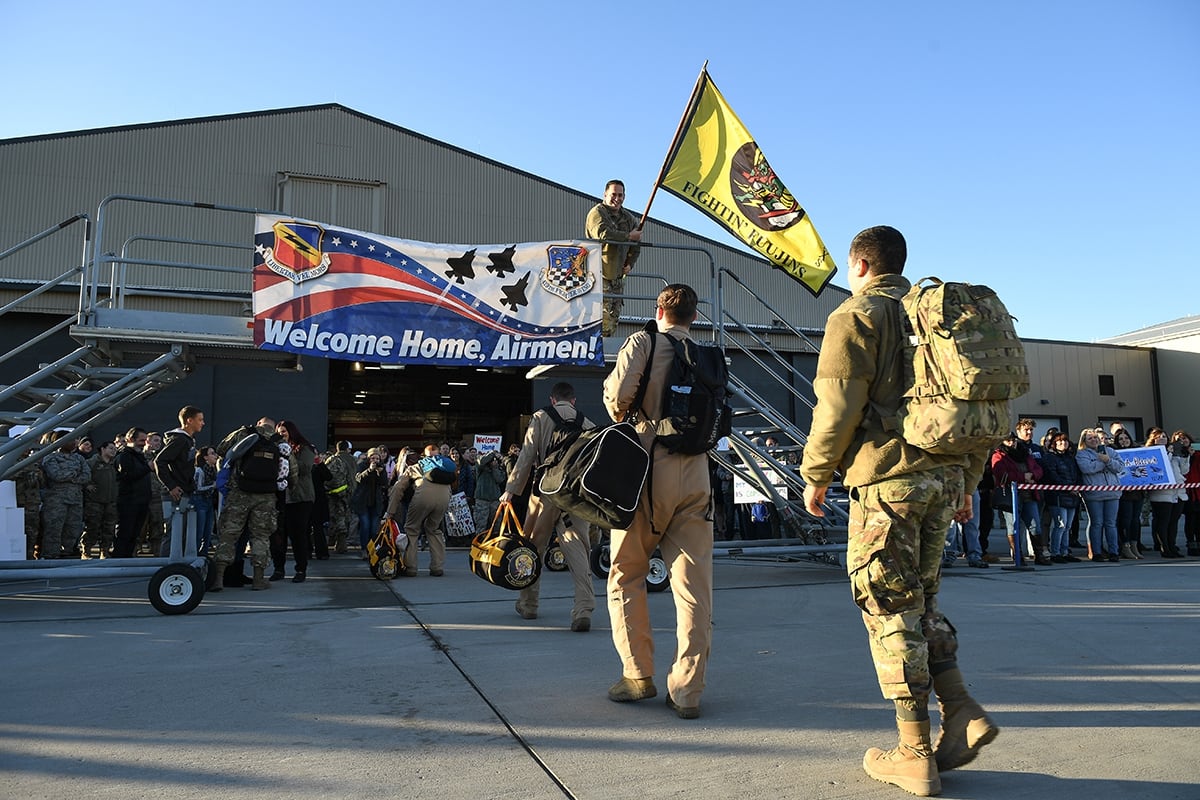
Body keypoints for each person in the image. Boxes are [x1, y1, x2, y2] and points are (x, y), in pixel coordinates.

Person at [799, 226, 997, 796]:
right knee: (923, 602)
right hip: (944, 477)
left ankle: (913, 750)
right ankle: (959, 708)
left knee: (889, 609)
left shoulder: (857, 315)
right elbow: (980, 399)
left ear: (860, 265)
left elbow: (836, 406)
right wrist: (968, 479)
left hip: (888, 481)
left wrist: (815, 476)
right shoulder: (935, 317)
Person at [601, 284, 713, 720]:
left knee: (626, 573)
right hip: (698, 476)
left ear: (659, 310)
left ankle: (637, 674)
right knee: (694, 590)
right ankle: (688, 691)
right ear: (694, 317)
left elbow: (616, 402)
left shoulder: (643, 342)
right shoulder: (706, 356)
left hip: (648, 473)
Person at [498, 382, 597, 631]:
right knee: (578, 551)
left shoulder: (541, 417)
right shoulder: (588, 424)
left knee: (532, 548)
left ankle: (529, 605)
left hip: (543, 494)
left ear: (553, 400)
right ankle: (583, 609)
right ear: (573, 401)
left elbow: (527, 454)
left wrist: (511, 489)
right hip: (574, 497)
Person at [209, 418, 285, 591]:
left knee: (229, 535)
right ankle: (258, 579)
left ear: (258, 423)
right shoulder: (279, 441)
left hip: (239, 493)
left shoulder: (243, 433)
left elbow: (222, 450)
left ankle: (219, 578)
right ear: (273, 427)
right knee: (260, 537)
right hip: (266, 496)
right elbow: (290, 470)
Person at [382, 444, 451, 576]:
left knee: (412, 529)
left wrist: (390, 512)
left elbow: (398, 488)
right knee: (434, 529)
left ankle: (411, 568)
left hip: (423, 497)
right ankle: (437, 567)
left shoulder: (417, 467)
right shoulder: (445, 468)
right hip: (444, 498)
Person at [585, 179, 642, 337]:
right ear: (605, 195)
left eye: (620, 195)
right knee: (599, 317)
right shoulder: (597, 213)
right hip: (598, 274)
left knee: (613, 317)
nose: (617, 198)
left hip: (617, 278)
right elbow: (602, 234)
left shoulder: (628, 218)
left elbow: (636, 245)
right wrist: (628, 235)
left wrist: (630, 264)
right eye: (613, 195)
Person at [990, 432, 1049, 565]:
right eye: (1008, 441)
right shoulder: (999, 455)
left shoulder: (1025, 453)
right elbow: (1001, 473)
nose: (1012, 443)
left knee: (1035, 525)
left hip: (1029, 494)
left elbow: (1038, 469)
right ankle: (1017, 556)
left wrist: (1032, 475)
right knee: (1013, 526)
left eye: (1013, 440)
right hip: (1011, 496)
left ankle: (1039, 555)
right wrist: (1023, 477)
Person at [154, 406, 205, 554]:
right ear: (189, 420)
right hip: (174, 494)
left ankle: (177, 567)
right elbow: (160, 461)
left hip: (184, 492)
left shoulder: (188, 441)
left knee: (182, 533)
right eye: (200, 420)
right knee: (173, 532)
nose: (203, 423)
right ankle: (166, 569)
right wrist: (171, 486)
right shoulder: (179, 440)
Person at [272, 420, 316, 582]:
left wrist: (286, 455)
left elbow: (305, 468)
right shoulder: (274, 448)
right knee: (278, 536)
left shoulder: (305, 448)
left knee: (298, 536)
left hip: (300, 498)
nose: (281, 434)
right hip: (280, 497)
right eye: (279, 432)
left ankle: (300, 570)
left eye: (284, 431)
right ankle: (278, 569)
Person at [1076, 428, 1124, 562]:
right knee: (1097, 523)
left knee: (1110, 523)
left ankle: (1114, 552)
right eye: (1090, 438)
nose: (1094, 440)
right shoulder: (1081, 454)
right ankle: (1096, 552)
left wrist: (1108, 460)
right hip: (1094, 494)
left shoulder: (1111, 452)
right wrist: (1103, 462)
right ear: (1084, 441)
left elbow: (1120, 467)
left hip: (1113, 493)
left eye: (1095, 437)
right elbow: (1087, 468)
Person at [40, 435, 91, 559]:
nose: (73, 443)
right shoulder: (51, 458)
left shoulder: (79, 458)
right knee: (53, 529)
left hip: (75, 500)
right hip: (56, 500)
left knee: (73, 528)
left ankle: (68, 552)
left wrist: (69, 476)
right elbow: (56, 475)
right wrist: (74, 473)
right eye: (69, 440)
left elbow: (87, 476)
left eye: (74, 440)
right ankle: (50, 555)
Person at [1041, 432, 1083, 563]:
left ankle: (1065, 552)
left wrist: (1077, 487)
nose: (1062, 444)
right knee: (1060, 525)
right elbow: (1052, 475)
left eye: (1064, 441)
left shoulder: (1070, 458)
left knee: (1068, 526)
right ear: (1054, 444)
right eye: (1059, 442)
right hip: (1057, 496)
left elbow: (1077, 475)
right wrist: (1068, 487)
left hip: (1072, 497)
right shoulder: (1049, 458)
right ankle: (1055, 552)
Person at [1146, 427, 1186, 558]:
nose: (1163, 438)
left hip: (1176, 492)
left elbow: (1184, 470)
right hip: (1161, 493)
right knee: (1163, 521)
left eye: (1164, 436)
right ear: (1153, 439)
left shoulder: (1173, 452)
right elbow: (1161, 468)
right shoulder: (1151, 453)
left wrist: (1186, 456)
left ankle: (1172, 546)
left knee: (1173, 521)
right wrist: (1168, 454)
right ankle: (1164, 547)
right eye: (1159, 436)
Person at [113, 427, 153, 558]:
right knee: (125, 533)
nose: (144, 443)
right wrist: (147, 468)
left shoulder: (139, 456)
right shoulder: (124, 456)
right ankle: (119, 560)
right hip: (129, 501)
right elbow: (127, 475)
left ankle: (126, 559)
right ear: (130, 440)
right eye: (141, 440)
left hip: (141, 501)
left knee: (134, 534)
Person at [82, 439, 119, 559]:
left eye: (114, 449)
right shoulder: (92, 462)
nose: (113, 451)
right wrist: (87, 484)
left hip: (110, 501)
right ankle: (87, 550)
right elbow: (83, 475)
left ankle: (105, 550)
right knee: (92, 527)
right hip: (94, 501)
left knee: (109, 528)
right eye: (110, 448)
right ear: (103, 449)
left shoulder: (115, 463)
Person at [352, 448, 389, 557]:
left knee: (374, 528)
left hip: (375, 502)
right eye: (373, 458)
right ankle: (364, 548)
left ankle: (372, 548)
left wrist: (381, 473)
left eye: (377, 458)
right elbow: (358, 478)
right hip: (363, 501)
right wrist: (369, 470)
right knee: (365, 525)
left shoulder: (382, 467)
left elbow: (384, 483)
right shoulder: (362, 465)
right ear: (368, 458)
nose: (375, 460)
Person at [325, 440, 358, 554]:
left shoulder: (333, 460)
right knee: (346, 516)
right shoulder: (354, 460)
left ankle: (338, 542)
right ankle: (337, 541)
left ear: (337, 448)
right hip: (350, 492)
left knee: (336, 516)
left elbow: (327, 475)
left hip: (335, 493)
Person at [472, 446, 507, 535]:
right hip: (482, 499)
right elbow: (481, 461)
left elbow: (500, 479)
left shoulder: (498, 467)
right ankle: (480, 542)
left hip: (495, 499)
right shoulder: (480, 466)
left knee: (496, 524)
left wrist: (495, 468)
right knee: (481, 524)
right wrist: (492, 453)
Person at [192, 446, 219, 555]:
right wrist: (212, 486)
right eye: (212, 453)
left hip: (209, 501)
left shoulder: (213, 470)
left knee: (208, 531)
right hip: (200, 501)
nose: (215, 456)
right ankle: (195, 553)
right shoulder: (200, 470)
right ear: (205, 457)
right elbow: (197, 488)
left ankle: (204, 553)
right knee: (200, 530)